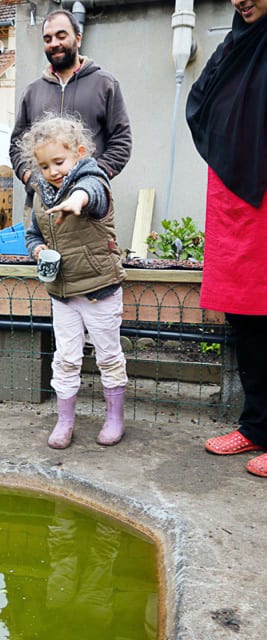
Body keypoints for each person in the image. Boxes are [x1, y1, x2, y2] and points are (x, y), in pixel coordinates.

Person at [186, 0, 267, 477]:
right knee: (246, 317)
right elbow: (201, 105)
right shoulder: (234, 45)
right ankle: (256, 427)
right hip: (234, 200)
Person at [21, 114, 128, 449]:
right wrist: (37, 249)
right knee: (66, 357)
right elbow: (32, 233)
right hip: (62, 292)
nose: (53, 171)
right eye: (45, 165)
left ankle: (115, 417)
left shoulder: (93, 178)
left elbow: (91, 193)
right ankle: (65, 419)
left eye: (59, 161)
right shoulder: (41, 193)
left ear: (78, 153)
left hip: (99, 289)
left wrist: (76, 201)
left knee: (108, 355)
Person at [9, 9, 132, 211]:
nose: (54, 43)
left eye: (61, 35)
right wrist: (29, 176)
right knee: (37, 244)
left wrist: (92, 177)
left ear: (78, 38)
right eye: (47, 39)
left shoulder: (105, 84)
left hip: (89, 205)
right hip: (41, 206)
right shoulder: (32, 91)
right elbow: (17, 145)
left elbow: (121, 141)